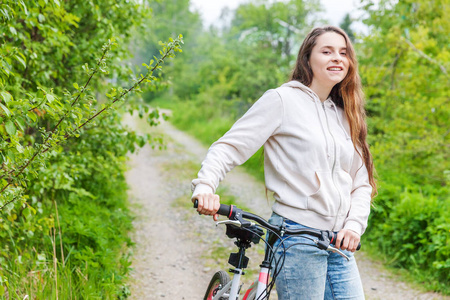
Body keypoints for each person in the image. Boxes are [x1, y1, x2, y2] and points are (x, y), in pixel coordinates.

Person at [191, 26, 376, 299]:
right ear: (307, 59)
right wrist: (205, 185)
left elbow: (360, 182)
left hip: (339, 243)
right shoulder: (282, 100)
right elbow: (228, 147)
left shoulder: (345, 113)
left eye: (343, 52)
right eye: (327, 51)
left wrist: (353, 226)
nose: (337, 58)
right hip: (296, 238)